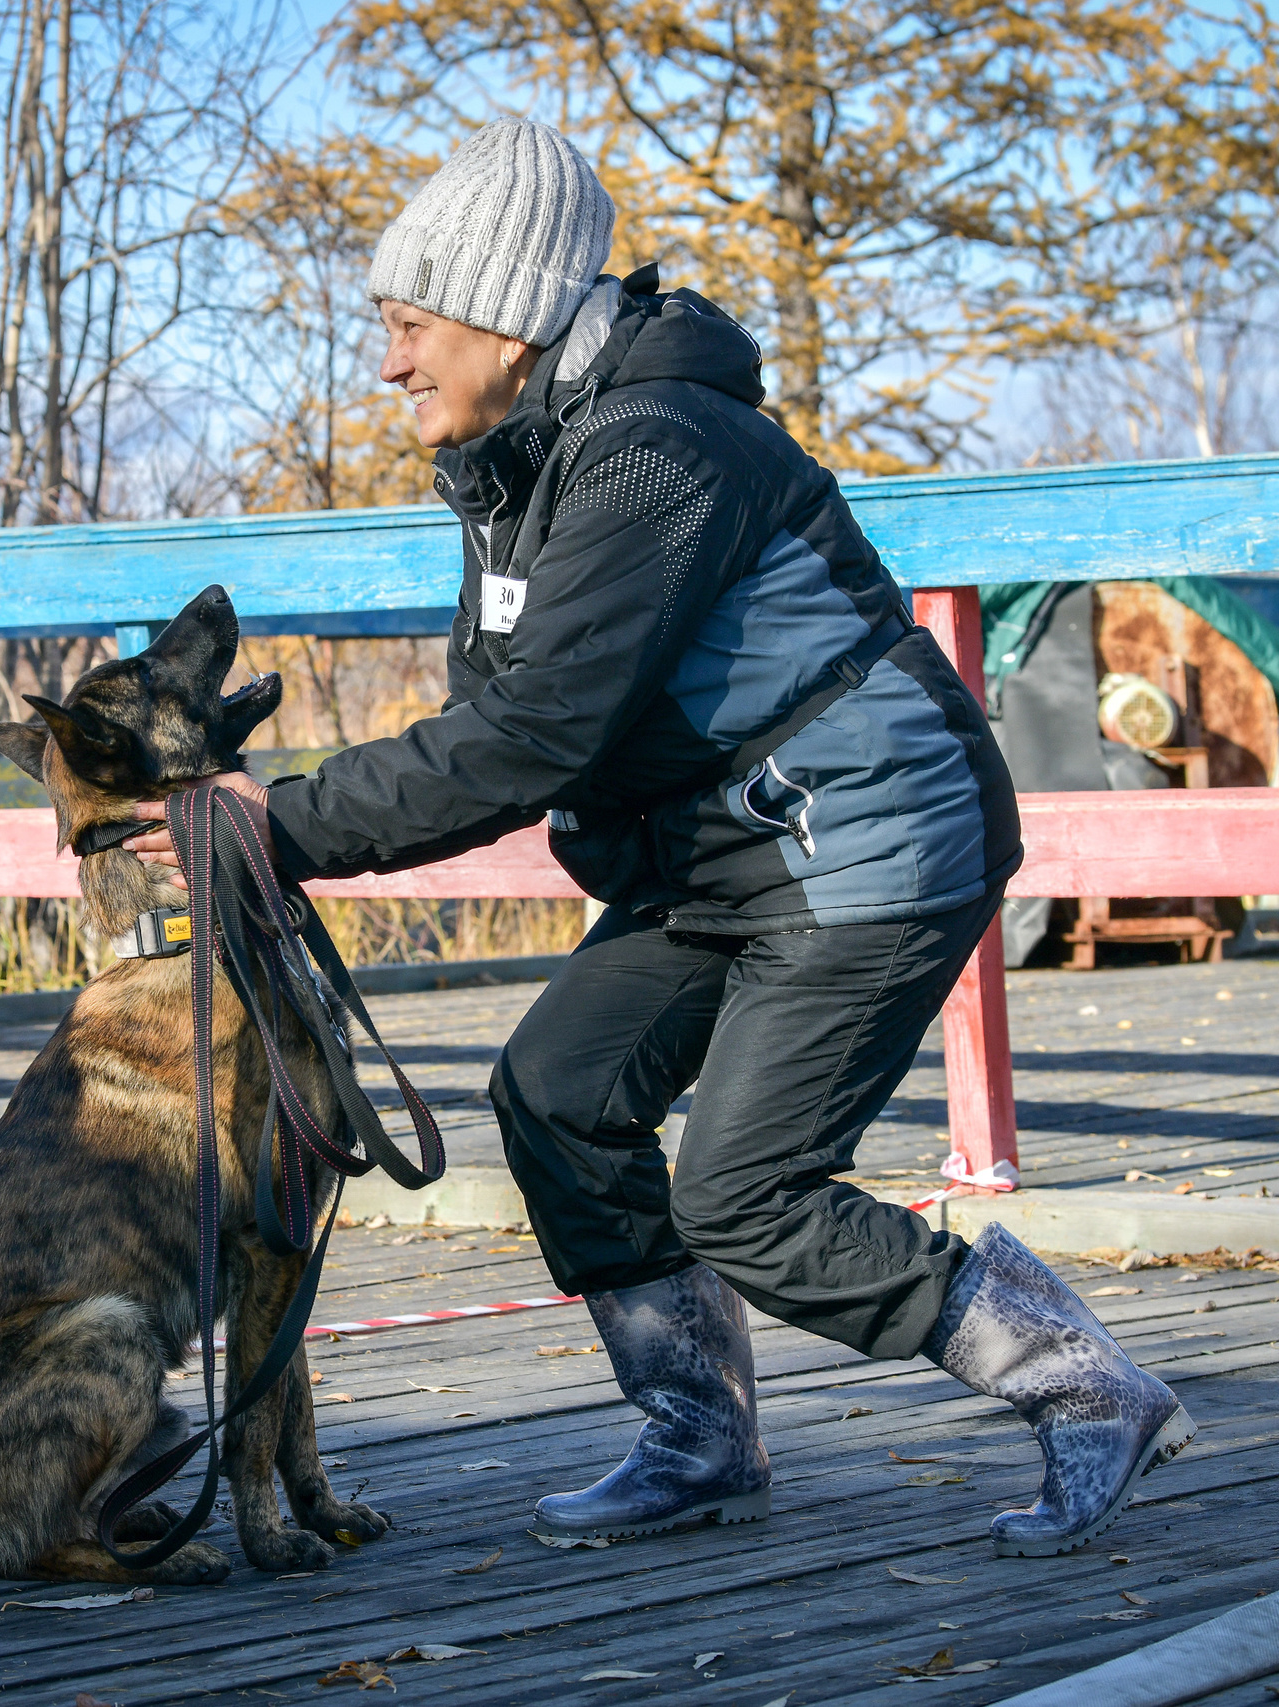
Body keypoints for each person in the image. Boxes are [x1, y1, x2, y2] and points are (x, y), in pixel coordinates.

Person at [130, 118, 1192, 1558]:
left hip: (869, 848)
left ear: (505, 316)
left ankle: (1082, 1384)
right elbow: (499, 709)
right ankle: (701, 1434)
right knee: (560, 1094)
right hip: (717, 863)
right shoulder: (514, 466)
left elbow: (533, 735)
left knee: (745, 1194)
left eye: (409, 323)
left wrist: (282, 826)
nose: (388, 363)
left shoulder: (657, 449)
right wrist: (290, 824)